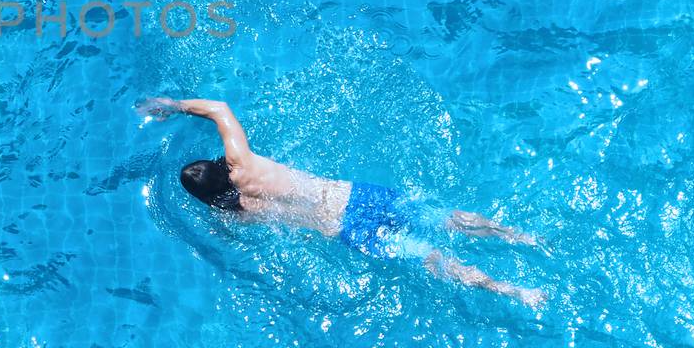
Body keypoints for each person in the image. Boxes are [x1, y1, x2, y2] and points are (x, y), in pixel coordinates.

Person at [140, 96, 546, 308]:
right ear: (218, 166)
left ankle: (512, 290)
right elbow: (219, 109)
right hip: (352, 195)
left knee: (430, 259)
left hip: (349, 231)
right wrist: (173, 106)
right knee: (441, 218)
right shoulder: (242, 162)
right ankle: (517, 236)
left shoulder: (236, 215)